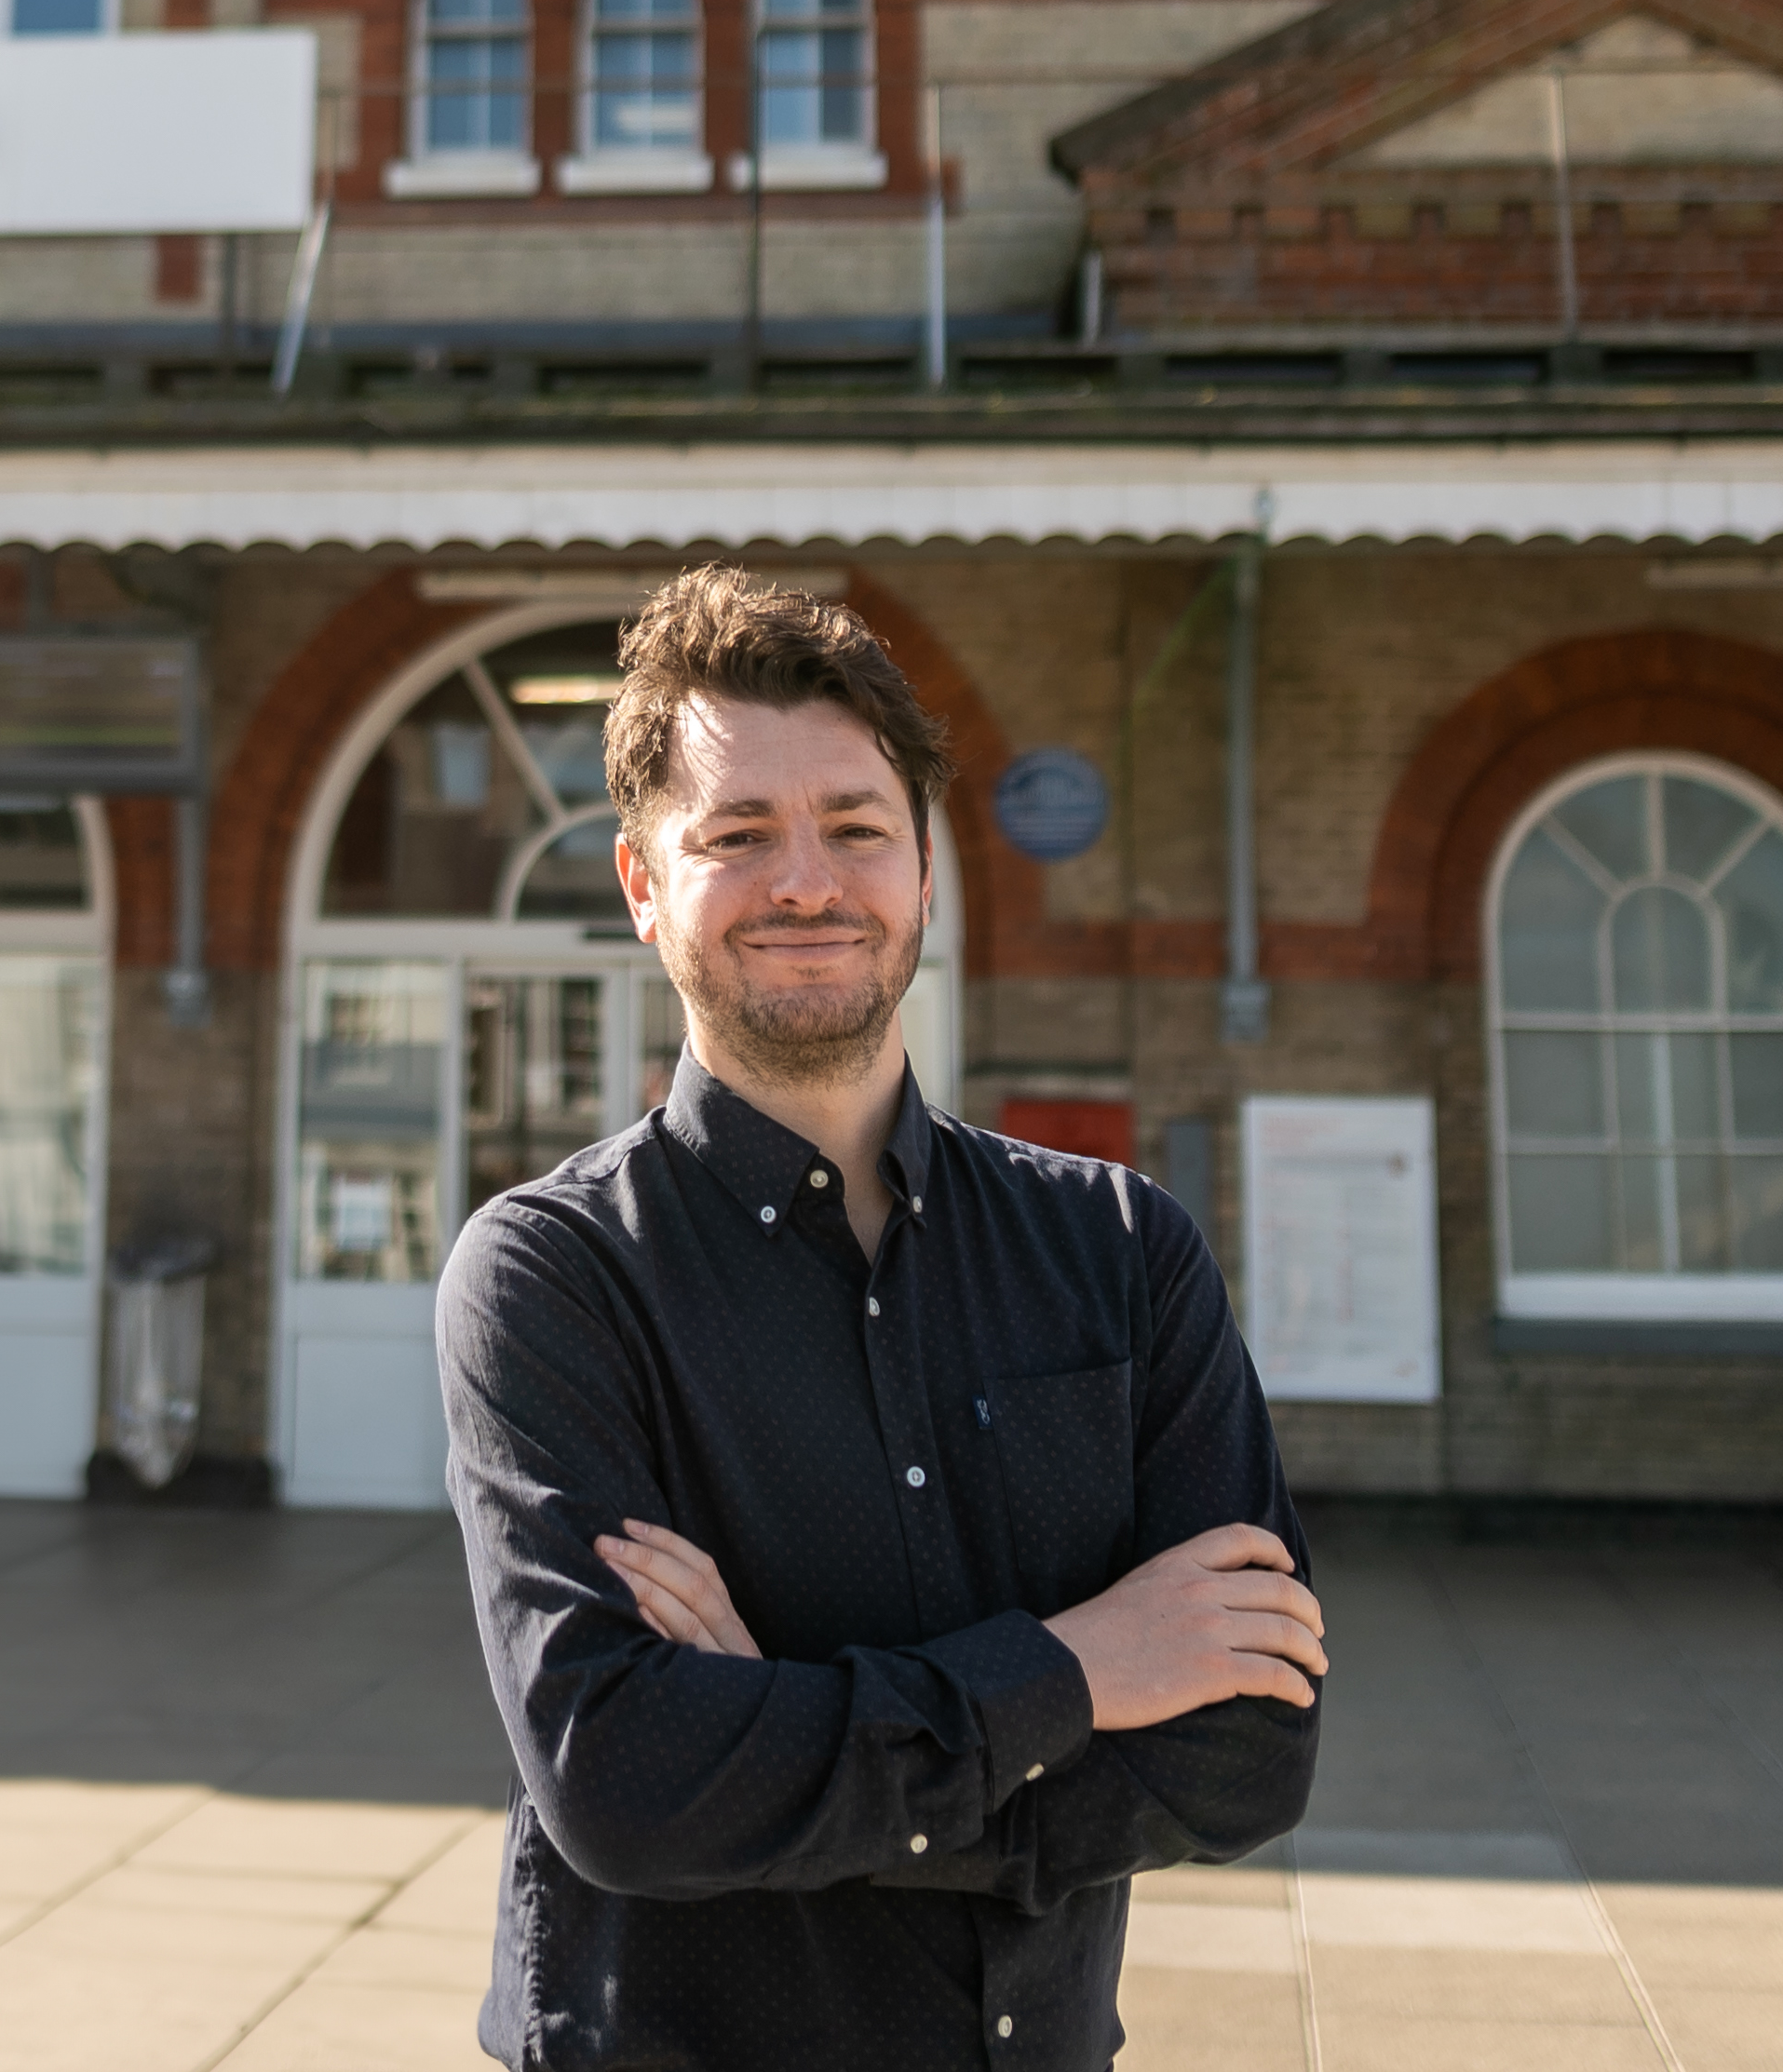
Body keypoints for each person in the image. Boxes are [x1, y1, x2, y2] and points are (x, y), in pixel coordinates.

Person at [438, 569, 1322, 2071]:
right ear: (643, 885)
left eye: (855, 827)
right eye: (737, 834)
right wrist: (1081, 1671)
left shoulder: (1120, 1251)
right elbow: (627, 1786)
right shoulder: (553, 1275)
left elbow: (1247, 1754)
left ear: (924, 869)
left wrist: (769, 1738)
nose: (807, 881)